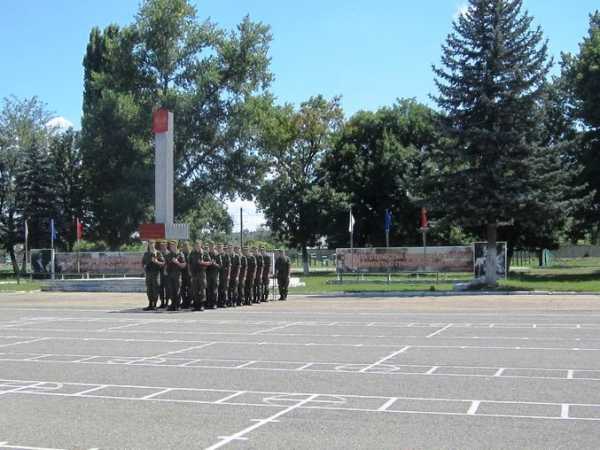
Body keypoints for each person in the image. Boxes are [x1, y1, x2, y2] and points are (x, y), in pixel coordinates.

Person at [188, 240, 212, 311]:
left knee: (202, 289)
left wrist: (203, 262)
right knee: (195, 289)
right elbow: (189, 263)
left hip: (201, 273)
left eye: (198, 245)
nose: (197, 246)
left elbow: (210, 262)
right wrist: (189, 271)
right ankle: (196, 305)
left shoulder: (204, 253)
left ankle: (201, 305)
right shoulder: (192, 253)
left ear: (200, 245)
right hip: (194, 274)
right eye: (195, 245)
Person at [141, 241, 164, 311]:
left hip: (155, 274)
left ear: (154, 244)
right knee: (149, 290)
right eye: (150, 243)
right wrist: (144, 266)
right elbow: (143, 263)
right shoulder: (146, 254)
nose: (151, 245)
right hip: (148, 274)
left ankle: (154, 304)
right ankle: (150, 304)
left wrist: (156, 261)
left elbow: (163, 263)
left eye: (152, 243)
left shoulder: (158, 253)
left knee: (155, 289)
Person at [165, 241, 187, 311]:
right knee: (171, 290)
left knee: (177, 290)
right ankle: (173, 304)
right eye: (171, 246)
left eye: (173, 245)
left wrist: (177, 262)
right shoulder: (168, 255)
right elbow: (166, 264)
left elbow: (184, 265)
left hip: (177, 275)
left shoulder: (180, 254)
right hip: (170, 275)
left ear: (176, 246)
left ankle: (177, 305)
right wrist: (165, 270)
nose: (172, 247)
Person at [206, 242, 221, 309]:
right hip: (208, 273)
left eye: (212, 246)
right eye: (209, 246)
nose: (211, 247)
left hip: (215, 274)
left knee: (214, 289)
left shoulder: (217, 254)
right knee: (208, 289)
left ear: (214, 246)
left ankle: (214, 303)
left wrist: (214, 264)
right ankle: (209, 303)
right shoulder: (207, 254)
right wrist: (208, 263)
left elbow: (220, 265)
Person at [180, 241, 192, 308]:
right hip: (183, 274)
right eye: (184, 246)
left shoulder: (191, 254)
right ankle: (184, 301)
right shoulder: (181, 254)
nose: (185, 247)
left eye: (186, 246)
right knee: (182, 289)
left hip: (190, 274)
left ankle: (189, 301)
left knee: (190, 289)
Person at [157, 241, 169, 308]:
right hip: (161, 273)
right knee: (161, 288)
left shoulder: (169, 253)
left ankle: (167, 302)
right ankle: (162, 302)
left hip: (168, 274)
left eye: (164, 245)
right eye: (161, 246)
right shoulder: (159, 253)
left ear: (166, 246)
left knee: (167, 289)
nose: (162, 247)